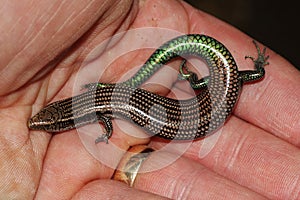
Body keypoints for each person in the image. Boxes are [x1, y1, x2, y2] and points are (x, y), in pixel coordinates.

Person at [1, 1, 299, 199]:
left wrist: (105, 134)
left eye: (50, 121)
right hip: (216, 93)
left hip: (212, 97)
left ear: (69, 118)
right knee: (235, 78)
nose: (43, 122)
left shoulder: (98, 110)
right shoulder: (97, 100)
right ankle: (248, 71)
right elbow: (102, 109)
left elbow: (104, 120)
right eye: (49, 121)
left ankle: (235, 74)